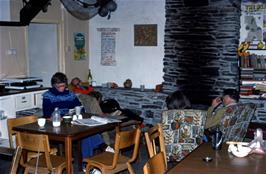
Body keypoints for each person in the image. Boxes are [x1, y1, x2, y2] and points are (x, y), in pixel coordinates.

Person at [42, 72, 105, 159]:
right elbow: (47, 113)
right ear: (54, 85)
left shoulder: (70, 94)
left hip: (71, 120)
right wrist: (55, 117)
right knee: (85, 133)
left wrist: (77, 111)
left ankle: (87, 160)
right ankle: (102, 148)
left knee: (87, 131)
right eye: (59, 86)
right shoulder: (48, 95)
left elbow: (80, 107)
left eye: (63, 86)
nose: (61, 88)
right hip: (57, 122)